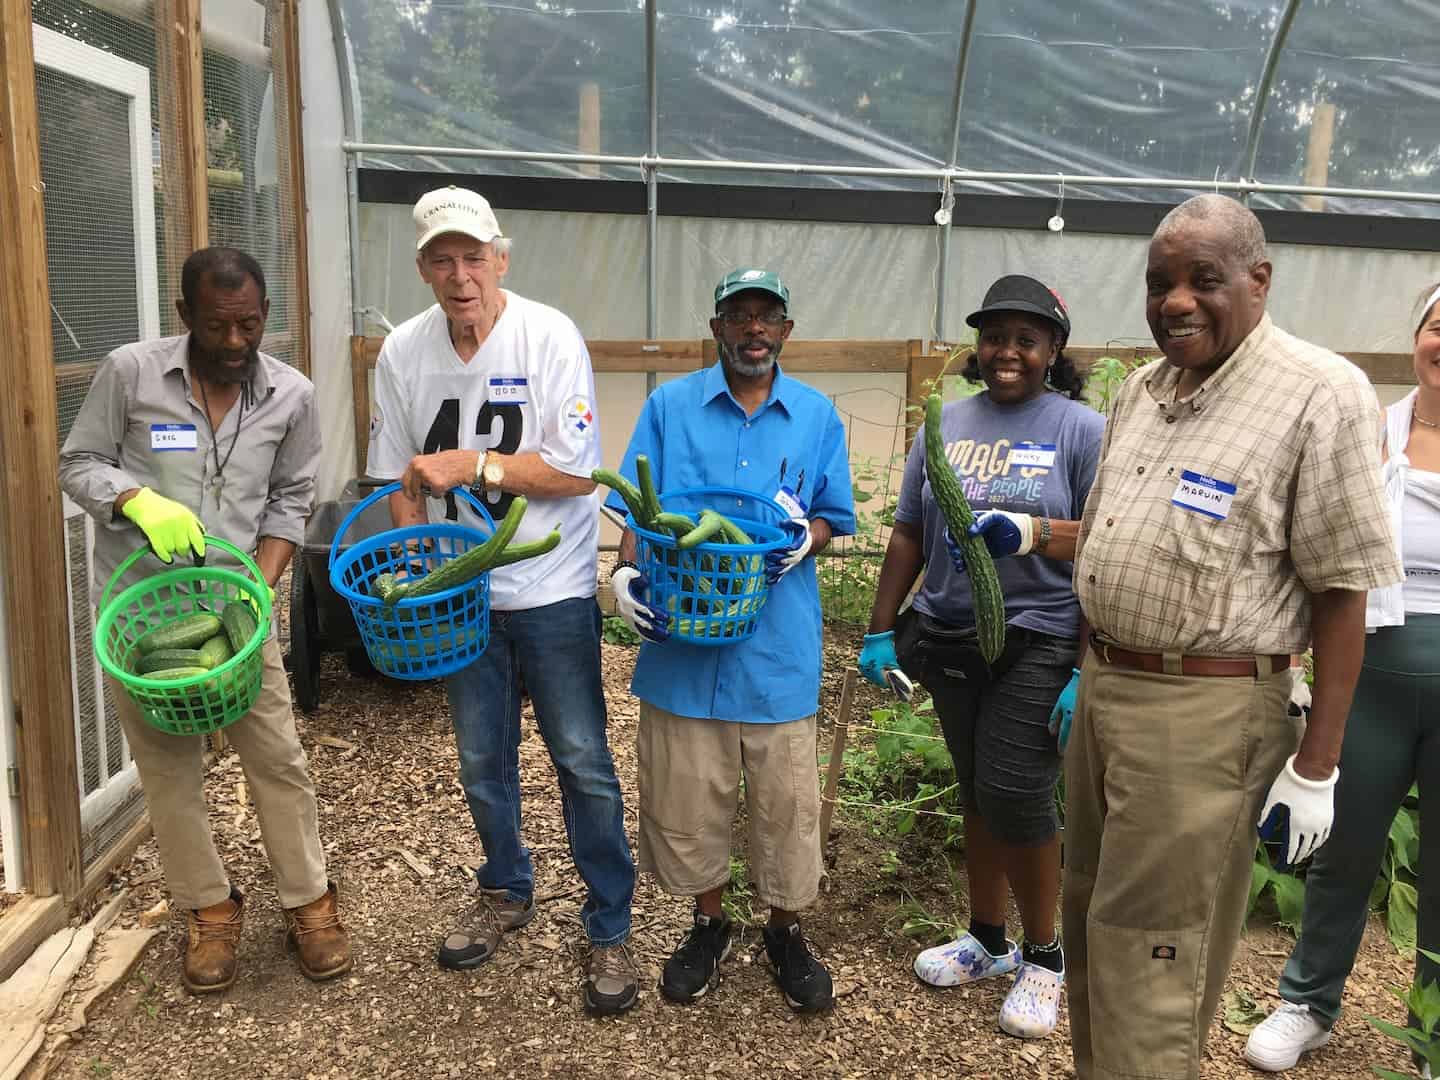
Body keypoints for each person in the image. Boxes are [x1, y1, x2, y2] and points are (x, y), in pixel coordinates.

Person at [1062, 194, 1402, 1080]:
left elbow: (1341, 593)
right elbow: (1105, 537)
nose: (1175, 300)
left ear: (1259, 281)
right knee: (1092, 916)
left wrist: (1317, 767)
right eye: (1159, 282)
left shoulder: (1318, 393)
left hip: (1204, 713)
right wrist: (1079, 669)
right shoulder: (1144, 389)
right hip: (1108, 692)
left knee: (1154, 948)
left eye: (1202, 279)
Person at [366, 185, 637, 1015]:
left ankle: (609, 921)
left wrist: (472, 465)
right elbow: (398, 477)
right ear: (422, 267)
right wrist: (414, 559)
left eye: (473, 258)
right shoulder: (402, 354)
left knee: (582, 760)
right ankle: (504, 887)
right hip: (463, 596)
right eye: (442, 261)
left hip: (550, 585)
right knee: (482, 761)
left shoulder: (548, 336)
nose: (460, 276)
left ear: (501, 259)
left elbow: (575, 470)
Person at [58, 247, 351, 994]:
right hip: (145, 623)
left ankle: (309, 901)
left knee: (278, 759)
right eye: (218, 325)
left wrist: (260, 585)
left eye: (249, 324)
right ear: (185, 314)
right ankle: (209, 908)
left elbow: (290, 500)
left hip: (235, 616)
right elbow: (79, 461)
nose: (234, 342)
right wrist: (134, 499)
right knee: (168, 773)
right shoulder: (130, 373)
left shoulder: (292, 395)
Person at [857, 274, 1104, 1039]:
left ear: (1053, 350)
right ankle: (988, 940)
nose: (1007, 351)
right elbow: (907, 530)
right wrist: (880, 625)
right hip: (952, 633)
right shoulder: (945, 423)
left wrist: (1082, 669)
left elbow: (1106, 547)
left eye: (1026, 339)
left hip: (1040, 634)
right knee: (976, 788)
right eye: (995, 336)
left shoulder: (1080, 430)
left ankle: (1046, 958)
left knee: (1018, 792)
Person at [606, 268, 855, 1012]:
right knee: (691, 798)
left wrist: (805, 542)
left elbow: (833, 515)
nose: (753, 330)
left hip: (776, 649)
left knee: (785, 806)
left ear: (785, 331)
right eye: (738, 316)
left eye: (767, 317)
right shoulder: (669, 407)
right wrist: (622, 584)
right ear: (716, 329)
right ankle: (707, 923)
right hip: (684, 645)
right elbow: (638, 517)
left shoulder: (815, 415)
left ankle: (785, 931)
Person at [1244, 282, 1440, 1072]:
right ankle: (1308, 1002)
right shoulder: (1372, 432)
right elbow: (1313, 547)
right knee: (1343, 845)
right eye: (1438, 324)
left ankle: (1432, 1027)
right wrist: (1293, 655)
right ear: (1418, 337)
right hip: (1373, 675)